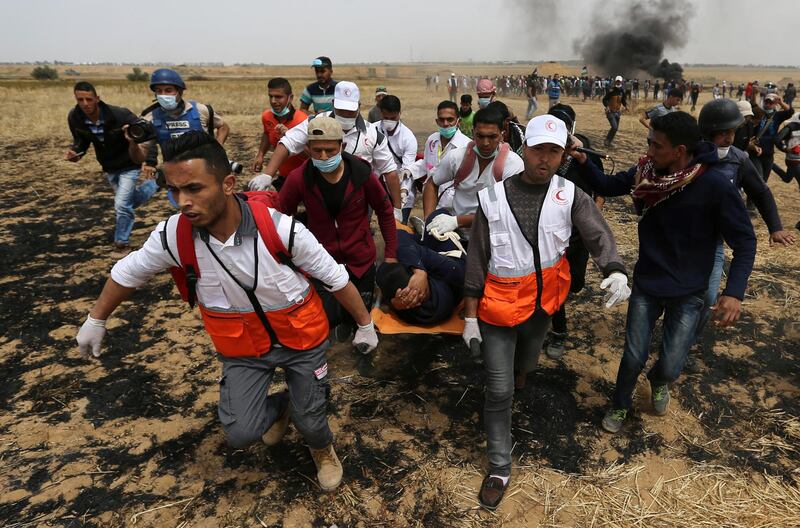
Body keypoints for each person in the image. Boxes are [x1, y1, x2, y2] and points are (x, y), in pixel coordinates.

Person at [75, 131, 380, 492]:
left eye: (194, 188)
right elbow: (127, 273)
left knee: (311, 420)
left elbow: (336, 279)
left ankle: (321, 448)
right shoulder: (174, 237)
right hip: (244, 349)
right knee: (241, 432)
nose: (182, 202)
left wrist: (365, 324)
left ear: (228, 184)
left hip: (302, 339)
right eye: (174, 190)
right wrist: (96, 319)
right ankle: (282, 405)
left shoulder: (280, 230)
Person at [462, 115, 630, 511]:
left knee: (528, 363)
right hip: (499, 309)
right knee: (499, 387)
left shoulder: (569, 195)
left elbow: (597, 233)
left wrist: (616, 268)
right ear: (524, 148)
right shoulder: (494, 198)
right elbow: (477, 258)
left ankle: (522, 372)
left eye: (554, 151)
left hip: (543, 306)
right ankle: (500, 465)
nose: (545, 159)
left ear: (562, 155)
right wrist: (469, 317)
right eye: (539, 149)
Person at [569, 112, 757, 434]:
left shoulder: (714, 186)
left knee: (670, 365)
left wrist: (733, 293)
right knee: (632, 357)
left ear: (680, 151)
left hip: (690, 290)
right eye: (649, 144)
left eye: (656, 146)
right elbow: (607, 185)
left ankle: (659, 380)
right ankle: (620, 403)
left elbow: (745, 241)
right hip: (648, 283)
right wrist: (583, 159)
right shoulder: (646, 173)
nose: (649, 152)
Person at [277, 116, 398, 341]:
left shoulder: (362, 175)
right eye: (317, 151)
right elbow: (281, 217)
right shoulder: (299, 179)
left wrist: (390, 255)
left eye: (330, 151)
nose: (324, 157)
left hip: (360, 261)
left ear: (341, 146)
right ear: (308, 148)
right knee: (327, 318)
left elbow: (385, 211)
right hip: (321, 262)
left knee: (360, 318)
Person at [691, 99, 795, 347]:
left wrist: (775, 227)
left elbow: (760, 192)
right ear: (707, 132)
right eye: (722, 133)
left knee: (706, 296)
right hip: (679, 237)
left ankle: (688, 342)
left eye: (732, 132)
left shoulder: (738, 159)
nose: (728, 138)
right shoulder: (689, 155)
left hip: (713, 241)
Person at [252, 81, 402, 220]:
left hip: (358, 202)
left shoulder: (374, 134)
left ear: (359, 106)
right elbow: (288, 142)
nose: (345, 115)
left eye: (350, 111)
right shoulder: (315, 122)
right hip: (320, 197)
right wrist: (267, 174)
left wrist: (397, 209)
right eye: (341, 110)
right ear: (333, 104)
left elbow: (389, 172)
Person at [544, 104, 608, 360]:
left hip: (578, 231)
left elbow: (600, 188)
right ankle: (558, 332)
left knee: (576, 283)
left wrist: (593, 216)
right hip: (549, 230)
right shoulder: (542, 148)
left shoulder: (585, 150)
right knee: (555, 284)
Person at [66, 81, 156, 256]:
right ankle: (155, 184)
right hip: (109, 166)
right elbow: (81, 141)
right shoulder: (75, 118)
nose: (85, 104)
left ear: (97, 99)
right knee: (130, 201)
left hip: (130, 163)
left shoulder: (120, 115)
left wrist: (150, 160)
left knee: (122, 205)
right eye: (80, 100)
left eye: (89, 99)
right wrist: (75, 152)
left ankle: (122, 243)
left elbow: (148, 133)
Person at [422, 107, 524, 242]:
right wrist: (429, 220)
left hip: (493, 239)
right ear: (472, 133)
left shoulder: (513, 164)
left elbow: (509, 211)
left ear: (502, 135)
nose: (485, 143)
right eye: (480, 136)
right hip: (456, 234)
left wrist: (457, 221)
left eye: (492, 136)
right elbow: (432, 183)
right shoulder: (457, 157)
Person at [140, 69, 229, 199]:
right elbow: (145, 147)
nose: (163, 95)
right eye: (159, 91)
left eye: (168, 90)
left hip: (205, 171)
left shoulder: (200, 111)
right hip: (175, 177)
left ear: (180, 91)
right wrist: (148, 163)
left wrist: (218, 147)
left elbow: (223, 126)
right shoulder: (150, 118)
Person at [376, 220, 466, 325]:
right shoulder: (452, 273)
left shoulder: (405, 305)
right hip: (450, 258)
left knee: (401, 249)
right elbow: (398, 236)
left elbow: (399, 237)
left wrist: (392, 304)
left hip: (437, 265)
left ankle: (423, 234)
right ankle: (424, 231)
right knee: (436, 219)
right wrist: (419, 271)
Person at [408, 101, 472, 215]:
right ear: (437, 121)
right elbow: (427, 164)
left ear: (458, 122)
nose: (445, 123)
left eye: (450, 119)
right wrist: (409, 171)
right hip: (431, 201)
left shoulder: (466, 146)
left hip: (454, 207)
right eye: (441, 120)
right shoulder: (432, 140)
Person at [252, 78, 308, 190]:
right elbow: (267, 133)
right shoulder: (267, 117)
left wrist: (291, 138)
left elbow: (312, 155)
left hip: (306, 178)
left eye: (278, 97)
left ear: (290, 98)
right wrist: (260, 154)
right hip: (283, 176)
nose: (273, 101)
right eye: (270, 96)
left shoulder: (303, 121)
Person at [376, 95, 419, 223]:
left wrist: (404, 191)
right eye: (385, 118)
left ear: (399, 113)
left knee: (400, 226)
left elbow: (408, 168)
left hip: (401, 187)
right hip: (379, 185)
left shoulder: (408, 137)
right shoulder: (372, 130)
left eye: (393, 118)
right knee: (385, 223)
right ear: (381, 113)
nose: (389, 121)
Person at [752, 93, 794, 182]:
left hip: (768, 153)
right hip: (756, 152)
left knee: (764, 180)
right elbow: (753, 104)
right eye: (766, 102)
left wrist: (781, 103)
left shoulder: (777, 116)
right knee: (758, 178)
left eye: (770, 103)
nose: (767, 105)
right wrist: (754, 94)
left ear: (775, 104)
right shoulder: (759, 113)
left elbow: (790, 112)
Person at [602, 76, 628, 147]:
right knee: (614, 127)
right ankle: (607, 141)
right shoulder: (611, 90)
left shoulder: (622, 91)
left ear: (621, 82)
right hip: (610, 112)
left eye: (619, 81)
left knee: (615, 129)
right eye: (617, 81)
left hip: (618, 112)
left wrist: (625, 106)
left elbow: (623, 100)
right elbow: (604, 99)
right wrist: (607, 106)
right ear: (615, 81)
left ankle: (609, 142)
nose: (618, 82)